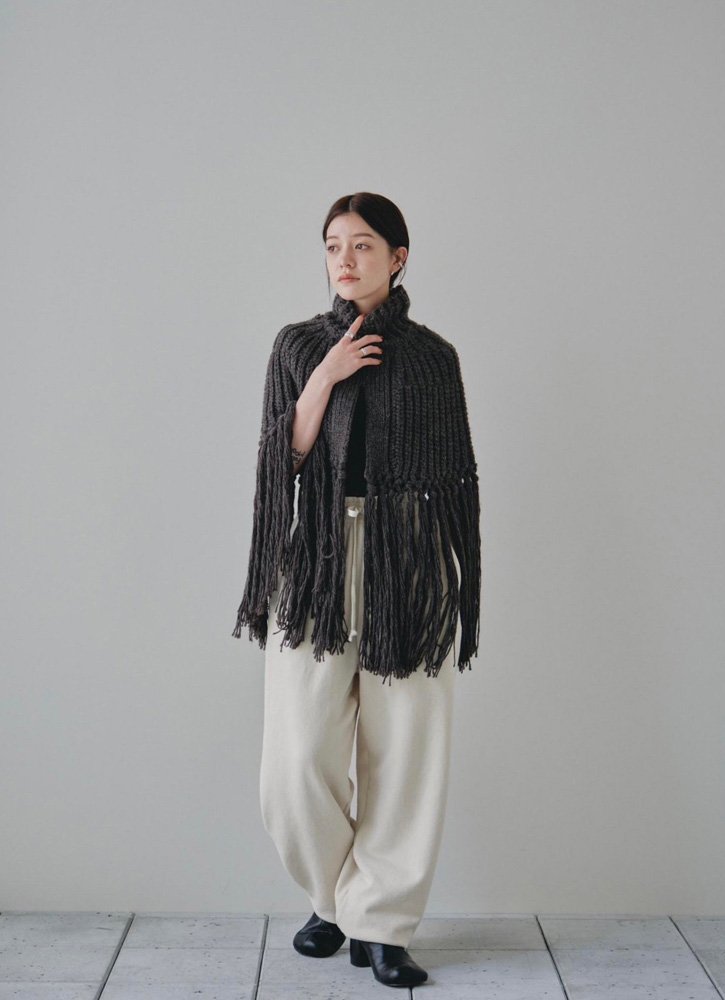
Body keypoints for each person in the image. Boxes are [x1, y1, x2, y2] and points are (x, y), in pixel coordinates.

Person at [232, 192, 481, 988]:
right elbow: (279, 462)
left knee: (406, 754)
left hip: (408, 561)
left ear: (398, 258)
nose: (345, 258)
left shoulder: (434, 358)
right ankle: (336, 901)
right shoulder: (298, 345)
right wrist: (325, 377)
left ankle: (382, 927)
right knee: (295, 759)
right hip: (318, 557)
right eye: (334, 244)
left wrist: (443, 580)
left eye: (364, 244)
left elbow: (454, 482)